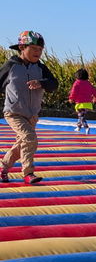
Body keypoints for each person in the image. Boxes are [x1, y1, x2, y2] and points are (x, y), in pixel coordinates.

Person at [0, 30, 58, 185]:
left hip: (32, 114)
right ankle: (28, 173)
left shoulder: (41, 68)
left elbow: (54, 84)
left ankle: (3, 168)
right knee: (30, 139)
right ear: (22, 48)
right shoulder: (11, 66)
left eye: (40, 50)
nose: (37, 52)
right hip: (14, 112)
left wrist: (41, 83)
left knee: (22, 144)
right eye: (33, 49)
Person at [68, 67, 96, 134]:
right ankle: (78, 127)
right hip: (87, 103)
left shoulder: (77, 83)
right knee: (80, 115)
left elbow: (73, 91)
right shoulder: (88, 83)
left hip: (81, 103)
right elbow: (94, 92)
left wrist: (71, 98)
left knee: (81, 117)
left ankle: (86, 127)